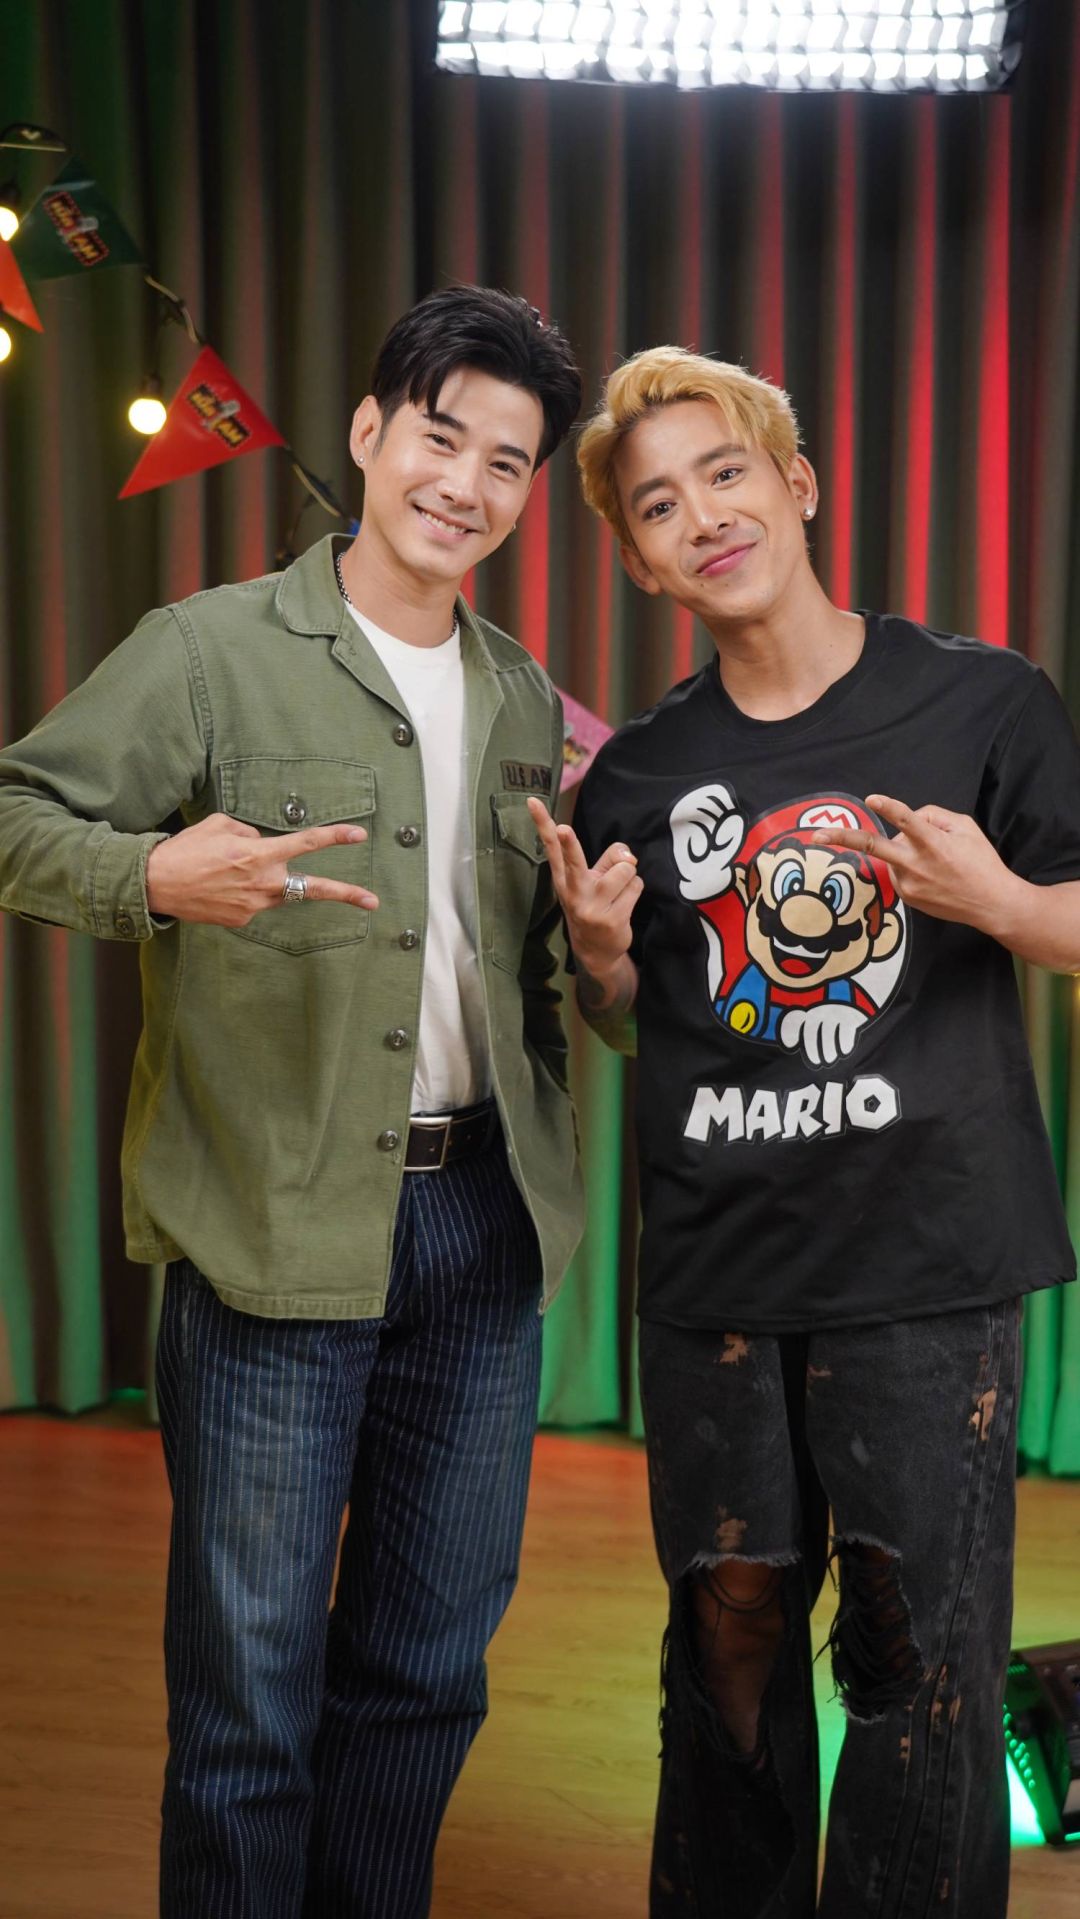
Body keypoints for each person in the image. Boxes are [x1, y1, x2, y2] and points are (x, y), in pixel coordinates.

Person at [0, 284, 585, 1919]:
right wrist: (148, 875)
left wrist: (603, 963)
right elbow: (16, 816)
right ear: (370, 433)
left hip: (481, 1233)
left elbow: (523, 974)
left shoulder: (525, 697)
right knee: (249, 1701)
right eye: (442, 438)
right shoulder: (208, 650)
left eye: (509, 462)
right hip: (268, 1229)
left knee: (428, 1668)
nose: (466, 483)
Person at [530, 345, 1080, 1918]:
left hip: (925, 1267)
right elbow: (634, 1023)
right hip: (714, 1281)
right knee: (727, 1643)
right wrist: (602, 965)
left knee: (913, 1660)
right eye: (658, 505)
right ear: (639, 561)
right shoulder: (636, 776)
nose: (702, 515)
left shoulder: (982, 700)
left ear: (800, 485)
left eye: (726, 474)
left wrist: (1000, 901)